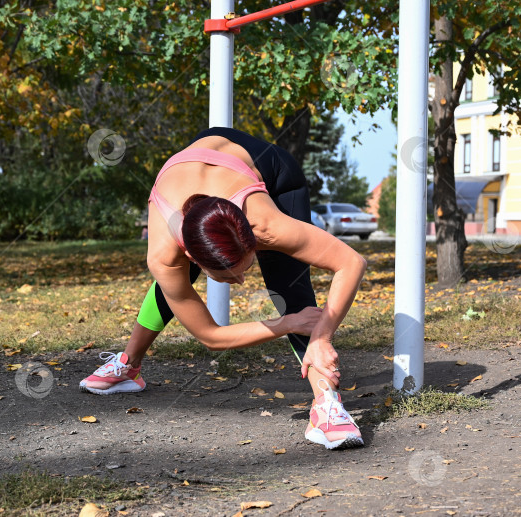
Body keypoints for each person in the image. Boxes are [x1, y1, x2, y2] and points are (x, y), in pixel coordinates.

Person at [79, 128, 367, 450]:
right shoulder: (164, 255)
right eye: (230, 276)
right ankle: (129, 366)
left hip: (267, 166)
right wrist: (285, 324)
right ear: (191, 256)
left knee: (287, 288)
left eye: (245, 266)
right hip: (191, 173)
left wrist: (322, 335)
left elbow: (351, 262)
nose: (242, 281)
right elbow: (210, 336)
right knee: (173, 282)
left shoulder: (265, 223)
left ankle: (326, 404)